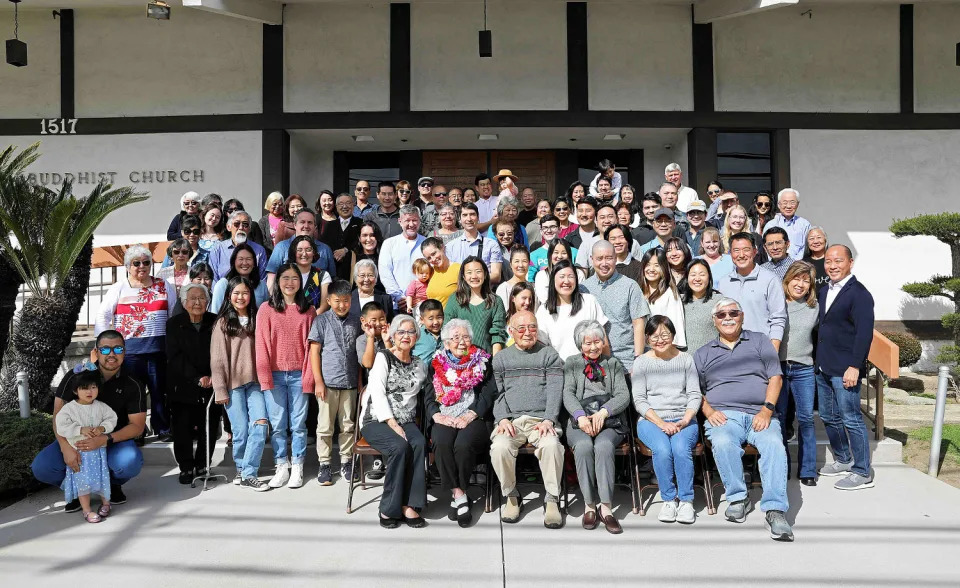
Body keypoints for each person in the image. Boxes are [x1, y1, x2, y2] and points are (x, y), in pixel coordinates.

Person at [695, 297, 792, 541]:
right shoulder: (704, 353)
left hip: (761, 413)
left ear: (742, 316)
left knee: (774, 446)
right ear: (714, 321)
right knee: (723, 442)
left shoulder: (760, 341)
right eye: (721, 314)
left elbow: (776, 378)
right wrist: (708, 411)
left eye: (733, 313)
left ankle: (775, 509)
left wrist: (767, 410)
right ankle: (738, 497)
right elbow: (694, 390)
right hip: (724, 415)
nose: (728, 318)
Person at [33, 331, 145, 511]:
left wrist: (105, 438)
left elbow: (137, 426)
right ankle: (77, 488)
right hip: (75, 439)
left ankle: (112, 485)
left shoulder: (133, 383)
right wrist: (65, 448)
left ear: (124, 351)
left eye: (117, 349)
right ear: (96, 351)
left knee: (129, 462)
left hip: (112, 440)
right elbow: (58, 415)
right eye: (105, 349)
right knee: (42, 467)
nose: (111, 354)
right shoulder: (76, 376)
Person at [490, 311, 565, 528]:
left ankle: (552, 499)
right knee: (500, 448)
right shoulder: (502, 358)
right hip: (511, 421)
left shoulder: (549, 354)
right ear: (511, 331)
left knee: (551, 445)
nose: (527, 332)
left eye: (532, 327)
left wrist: (550, 419)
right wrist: (502, 418)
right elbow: (497, 394)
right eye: (521, 328)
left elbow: (554, 391)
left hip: (541, 420)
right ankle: (512, 496)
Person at [358, 314, 429, 529]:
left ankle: (410, 505)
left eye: (410, 332)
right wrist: (392, 423)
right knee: (399, 447)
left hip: (406, 419)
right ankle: (388, 508)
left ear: (416, 336)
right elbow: (377, 393)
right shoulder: (383, 357)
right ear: (393, 334)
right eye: (401, 331)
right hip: (376, 419)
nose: (406, 336)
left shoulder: (420, 365)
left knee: (419, 443)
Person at [95, 245, 173, 440]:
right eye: (136, 263)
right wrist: (105, 347)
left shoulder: (163, 286)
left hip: (158, 350)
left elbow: (173, 316)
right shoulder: (118, 288)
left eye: (146, 262)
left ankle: (162, 428)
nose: (142, 266)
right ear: (127, 266)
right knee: (131, 394)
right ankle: (135, 431)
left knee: (159, 392)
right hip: (129, 353)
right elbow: (103, 316)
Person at [424, 319, 497, 527]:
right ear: (446, 343)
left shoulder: (482, 361)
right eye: (455, 338)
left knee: (463, 445)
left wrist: (472, 413)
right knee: (442, 441)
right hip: (444, 414)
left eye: (465, 337)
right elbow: (429, 397)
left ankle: (459, 495)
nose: (461, 342)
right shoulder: (436, 363)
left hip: (473, 416)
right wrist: (436, 415)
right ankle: (460, 493)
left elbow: (488, 393)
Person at [815, 245, 876, 490]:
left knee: (851, 419)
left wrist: (855, 366)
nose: (832, 265)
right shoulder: (823, 290)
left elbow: (864, 334)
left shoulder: (859, 294)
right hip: (823, 366)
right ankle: (843, 459)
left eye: (838, 261)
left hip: (845, 368)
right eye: (828, 261)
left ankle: (862, 472)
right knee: (829, 416)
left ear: (850, 262)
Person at [633, 315, 702, 524]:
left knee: (681, 448)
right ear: (646, 339)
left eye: (664, 334)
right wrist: (661, 423)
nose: (659, 339)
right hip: (651, 420)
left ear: (673, 335)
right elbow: (640, 400)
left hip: (684, 418)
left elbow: (694, 394)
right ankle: (669, 499)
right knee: (662, 449)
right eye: (654, 336)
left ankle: (687, 501)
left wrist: (686, 419)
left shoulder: (685, 359)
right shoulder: (642, 362)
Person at [563, 320, 630, 534]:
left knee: (603, 447)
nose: (593, 347)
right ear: (579, 345)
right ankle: (589, 505)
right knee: (582, 447)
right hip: (579, 419)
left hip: (609, 420)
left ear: (603, 342)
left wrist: (604, 412)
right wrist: (581, 417)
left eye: (597, 341)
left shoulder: (613, 364)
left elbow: (623, 395)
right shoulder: (571, 363)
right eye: (588, 343)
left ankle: (606, 507)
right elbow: (568, 393)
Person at [256, 262, 316, 490]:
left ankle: (298, 466)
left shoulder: (308, 310)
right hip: (275, 374)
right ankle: (282, 465)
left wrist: (308, 375)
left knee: (299, 425)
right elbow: (261, 344)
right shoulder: (266, 309)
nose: (290, 283)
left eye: (294, 278)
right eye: (285, 278)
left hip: (300, 374)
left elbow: (312, 347)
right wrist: (264, 376)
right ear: (277, 281)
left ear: (300, 283)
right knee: (278, 424)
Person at [211, 276, 271, 491]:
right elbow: (217, 359)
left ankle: (248, 471)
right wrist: (220, 389)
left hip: (255, 383)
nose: (241, 297)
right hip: (232, 385)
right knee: (240, 432)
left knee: (260, 424)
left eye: (245, 293)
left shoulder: (258, 318)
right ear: (229, 296)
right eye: (236, 293)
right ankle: (243, 468)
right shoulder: (223, 323)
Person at [308, 280, 362, 486]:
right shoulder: (321, 321)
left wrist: (358, 383)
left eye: (346, 301)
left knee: (348, 425)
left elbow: (358, 356)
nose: (342, 305)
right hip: (327, 383)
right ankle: (324, 464)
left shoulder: (357, 321)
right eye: (337, 301)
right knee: (324, 426)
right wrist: (318, 381)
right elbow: (314, 352)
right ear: (329, 300)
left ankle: (347, 461)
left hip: (349, 383)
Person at [166, 283, 218, 484]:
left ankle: (204, 464)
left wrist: (214, 375)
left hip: (211, 382)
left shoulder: (215, 322)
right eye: (193, 298)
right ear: (184, 302)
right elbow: (174, 355)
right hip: (182, 383)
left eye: (202, 298)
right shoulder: (174, 323)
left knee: (209, 425)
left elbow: (221, 352)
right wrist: (197, 378)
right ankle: (186, 467)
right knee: (182, 427)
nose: (197, 302)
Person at [53, 370, 118, 523]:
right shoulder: (69, 409)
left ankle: (106, 503)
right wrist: (80, 429)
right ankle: (86, 510)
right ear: (76, 390)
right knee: (83, 480)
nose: (89, 391)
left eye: (93, 387)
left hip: (98, 452)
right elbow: (61, 425)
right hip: (79, 452)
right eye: (84, 388)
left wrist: (102, 428)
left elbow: (112, 418)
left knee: (103, 476)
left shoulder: (101, 407)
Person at [778, 261, 820, 486]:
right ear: (788, 279)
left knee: (805, 419)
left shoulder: (814, 307)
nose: (801, 284)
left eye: (806, 280)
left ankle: (808, 469)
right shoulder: (777, 305)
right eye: (797, 278)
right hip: (780, 368)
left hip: (804, 368)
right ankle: (782, 465)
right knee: (781, 419)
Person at [581, 240, 649, 373]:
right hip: (594, 363)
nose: (604, 263)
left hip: (627, 362)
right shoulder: (584, 288)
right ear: (591, 259)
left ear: (616, 258)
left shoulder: (630, 285)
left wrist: (638, 358)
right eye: (599, 259)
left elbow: (638, 323)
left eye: (609, 258)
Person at [716, 232, 787, 353]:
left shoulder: (770, 279)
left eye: (746, 250)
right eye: (736, 250)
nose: (741, 255)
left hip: (761, 350)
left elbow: (778, 318)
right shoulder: (724, 282)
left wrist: (773, 351)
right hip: (730, 351)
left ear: (754, 252)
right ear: (730, 253)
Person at [535, 261, 609, 360]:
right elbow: (541, 347)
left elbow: (603, 340)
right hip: (557, 370)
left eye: (570, 276)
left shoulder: (589, 301)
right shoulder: (544, 311)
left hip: (590, 370)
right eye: (562, 277)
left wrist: (607, 367)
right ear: (553, 280)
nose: (566, 281)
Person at [443, 256, 506, 355]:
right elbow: (447, 329)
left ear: (485, 274)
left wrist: (495, 362)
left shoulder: (495, 301)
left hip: (486, 360)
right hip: (460, 359)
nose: (474, 276)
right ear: (463, 276)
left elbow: (498, 334)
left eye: (478, 271)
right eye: (469, 272)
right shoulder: (455, 299)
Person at [265, 209, 336, 293]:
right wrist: (273, 300)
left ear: (315, 227)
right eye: (302, 222)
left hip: (317, 303)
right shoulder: (281, 247)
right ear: (295, 225)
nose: (306, 226)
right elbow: (271, 276)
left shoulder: (325, 249)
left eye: (310, 222)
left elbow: (332, 279)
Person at [379, 204, 426, 312]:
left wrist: (418, 297)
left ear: (419, 221)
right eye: (407, 220)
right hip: (397, 304)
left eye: (414, 220)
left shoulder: (426, 243)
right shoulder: (389, 244)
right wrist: (399, 297)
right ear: (400, 221)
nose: (411, 224)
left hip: (422, 304)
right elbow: (385, 273)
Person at [638, 249, 686, 348]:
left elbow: (676, 326)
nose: (651, 269)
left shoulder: (670, 293)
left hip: (662, 349)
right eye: (648, 264)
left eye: (657, 265)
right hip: (641, 349)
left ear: (664, 268)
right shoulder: (637, 292)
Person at [445, 203, 503, 284]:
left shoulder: (491, 244)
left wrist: (474, 281)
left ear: (478, 217)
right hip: (461, 294)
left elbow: (496, 276)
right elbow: (449, 276)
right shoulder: (451, 246)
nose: (469, 219)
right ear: (460, 219)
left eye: (472, 214)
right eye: (465, 215)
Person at [209, 210, 269, 283]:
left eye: (245, 224)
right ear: (228, 227)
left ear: (249, 229)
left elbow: (262, 280)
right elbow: (213, 279)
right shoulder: (218, 249)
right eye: (236, 224)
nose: (241, 228)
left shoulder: (259, 250)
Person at [210, 243, 270, 313]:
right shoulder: (223, 285)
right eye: (240, 259)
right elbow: (215, 314)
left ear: (254, 263)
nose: (244, 263)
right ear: (233, 262)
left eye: (248, 259)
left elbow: (266, 312)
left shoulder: (261, 285)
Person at [680, 259, 719, 354]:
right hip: (684, 362)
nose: (697, 278)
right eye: (693, 275)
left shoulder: (719, 301)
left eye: (702, 274)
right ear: (687, 277)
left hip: (711, 360)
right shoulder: (678, 301)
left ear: (709, 277)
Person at [286, 235, 332, 313]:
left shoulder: (323, 276)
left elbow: (324, 306)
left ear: (314, 252)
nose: (304, 254)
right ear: (294, 252)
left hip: (314, 322)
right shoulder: (285, 275)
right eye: (299, 250)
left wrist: (310, 321)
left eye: (308, 250)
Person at [764, 188, 810, 260]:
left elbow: (806, 248)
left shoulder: (805, 224)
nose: (788, 206)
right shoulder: (771, 225)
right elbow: (767, 250)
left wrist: (794, 264)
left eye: (792, 202)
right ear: (779, 205)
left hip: (798, 266)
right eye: (785, 202)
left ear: (797, 204)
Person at [532, 239, 581, 304]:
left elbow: (580, 294)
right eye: (556, 252)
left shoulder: (578, 274)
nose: (560, 256)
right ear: (550, 255)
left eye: (564, 253)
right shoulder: (542, 275)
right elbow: (544, 299)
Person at [329, 193, 363, 281]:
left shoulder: (360, 223)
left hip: (353, 269)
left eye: (348, 203)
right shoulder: (330, 225)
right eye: (341, 204)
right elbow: (325, 244)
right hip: (334, 270)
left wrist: (345, 250)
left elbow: (362, 243)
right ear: (336, 206)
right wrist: (335, 254)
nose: (345, 206)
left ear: (353, 205)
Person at [420, 237, 460, 308]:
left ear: (442, 248)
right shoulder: (430, 272)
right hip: (433, 317)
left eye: (434, 253)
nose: (433, 259)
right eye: (428, 258)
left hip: (452, 317)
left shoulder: (459, 269)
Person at [495, 244, 531, 310]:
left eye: (524, 261)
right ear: (511, 264)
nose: (520, 265)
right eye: (517, 261)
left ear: (529, 264)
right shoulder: (504, 288)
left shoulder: (533, 287)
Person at [352, 220, 384, 286]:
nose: (368, 239)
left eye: (372, 235)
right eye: (365, 235)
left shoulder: (384, 258)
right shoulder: (353, 258)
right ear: (359, 238)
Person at [804, 226, 830, 292]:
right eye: (811, 238)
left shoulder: (833, 260)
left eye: (819, 237)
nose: (815, 241)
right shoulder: (803, 263)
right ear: (807, 242)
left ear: (825, 239)